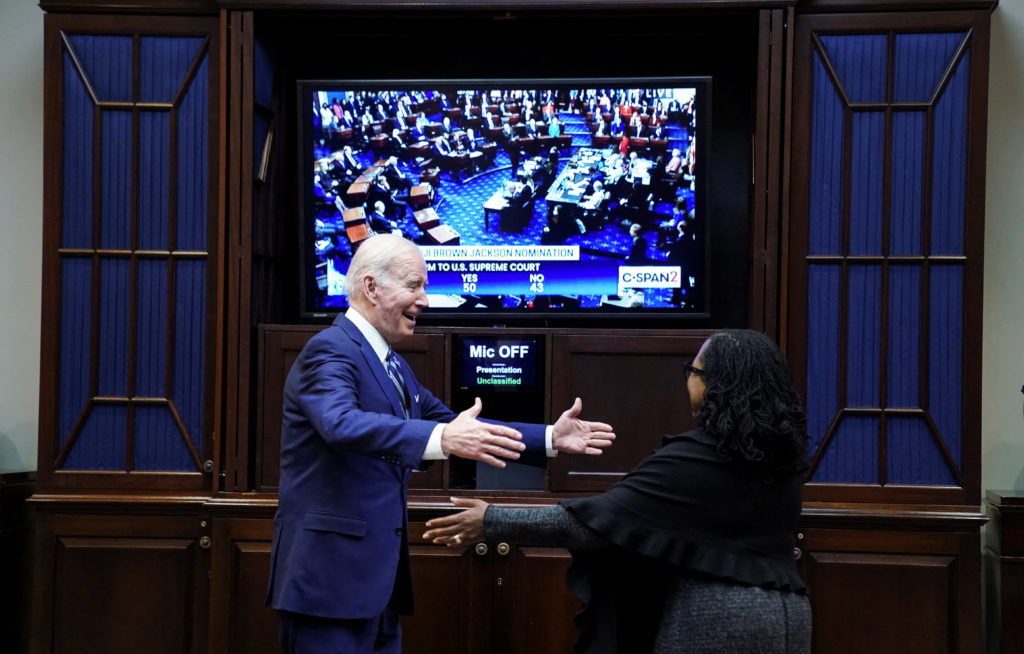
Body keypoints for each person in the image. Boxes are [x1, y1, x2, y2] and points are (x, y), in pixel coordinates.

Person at [266, 235, 616, 654]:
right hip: (328, 585)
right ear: (371, 287)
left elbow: (451, 423)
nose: (426, 300)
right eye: (414, 286)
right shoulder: (328, 350)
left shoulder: (390, 363)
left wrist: (547, 437)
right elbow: (341, 424)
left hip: (376, 590)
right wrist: (443, 438)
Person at [424, 329, 812, 654]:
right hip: (791, 620)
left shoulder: (695, 460)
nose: (688, 379)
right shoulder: (783, 457)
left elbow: (598, 524)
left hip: (717, 623)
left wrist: (492, 519)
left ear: (714, 384)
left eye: (692, 370)